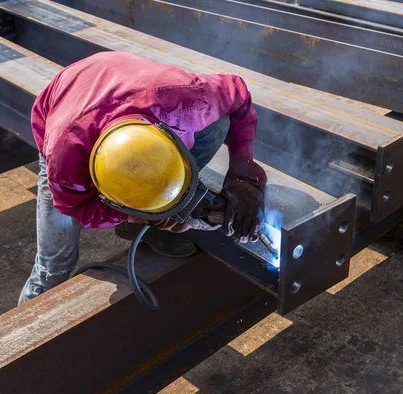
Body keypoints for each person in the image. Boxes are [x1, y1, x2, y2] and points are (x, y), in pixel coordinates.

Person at [19, 51, 267, 305]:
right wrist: (140, 213)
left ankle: (148, 222)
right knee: (55, 263)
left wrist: (242, 169)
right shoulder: (64, 163)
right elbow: (80, 209)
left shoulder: (186, 100)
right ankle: (25, 323)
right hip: (67, 106)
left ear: (169, 136)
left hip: (125, 82)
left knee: (218, 124)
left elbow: (239, 95)